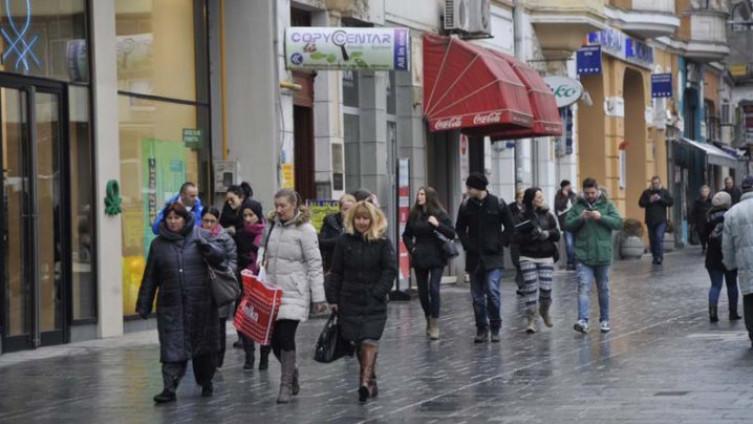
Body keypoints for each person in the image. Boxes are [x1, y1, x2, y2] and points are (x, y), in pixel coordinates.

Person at [136, 203, 221, 403]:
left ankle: (206, 380)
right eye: (169, 218)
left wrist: (208, 249)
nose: (173, 222)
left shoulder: (201, 236)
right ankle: (169, 387)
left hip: (201, 304)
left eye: (177, 218)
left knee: (204, 347)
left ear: (185, 219)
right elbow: (151, 276)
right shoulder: (158, 245)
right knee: (171, 346)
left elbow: (222, 259)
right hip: (170, 305)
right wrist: (144, 304)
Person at [326, 201, 398, 403]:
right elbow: (336, 271)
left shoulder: (382, 242)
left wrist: (379, 292)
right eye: (358, 218)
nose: (361, 222)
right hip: (349, 299)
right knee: (358, 341)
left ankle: (364, 382)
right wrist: (333, 298)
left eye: (365, 218)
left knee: (369, 339)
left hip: (373, 300)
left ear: (372, 219)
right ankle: (371, 378)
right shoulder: (344, 241)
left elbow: (389, 269)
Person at [261, 189, 327, 403]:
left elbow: (315, 264)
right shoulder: (271, 226)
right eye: (276, 205)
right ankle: (292, 371)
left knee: (285, 336)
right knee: (271, 342)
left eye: (283, 206)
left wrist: (318, 297)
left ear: (294, 205)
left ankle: (286, 385)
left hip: (294, 291)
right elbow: (265, 255)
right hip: (272, 290)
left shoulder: (305, 230)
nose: (278, 210)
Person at [455, 173, 514, 343]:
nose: (467, 190)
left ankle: (495, 326)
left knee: (493, 291)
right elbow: (459, 228)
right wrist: (467, 244)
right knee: (477, 297)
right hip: (474, 257)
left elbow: (510, 227)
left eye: (469, 187)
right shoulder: (466, 205)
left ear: (479, 188)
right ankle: (481, 327)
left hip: (493, 256)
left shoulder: (498, 203)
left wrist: (500, 242)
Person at [565, 178, 623, 334]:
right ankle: (582, 320)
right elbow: (567, 225)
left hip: (603, 254)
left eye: (592, 192)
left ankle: (604, 320)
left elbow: (618, 223)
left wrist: (601, 217)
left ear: (598, 191)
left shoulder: (607, 204)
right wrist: (580, 218)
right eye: (587, 193)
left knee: (603, 289)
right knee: (583, 287)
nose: (590, 195)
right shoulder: (577, 206)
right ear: (583, 192)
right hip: (583, 254)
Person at [402, 187, 456, 340]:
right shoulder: (414, 214)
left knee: (434, 288)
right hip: (420, 256)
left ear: (429, 197)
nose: (419, 197)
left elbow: (451, 233)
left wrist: (437, 224)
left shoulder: (440, 214)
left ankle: (434, 323)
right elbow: (406, 235)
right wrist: (412, 248)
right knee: (423, 292)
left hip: (437, 255)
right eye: (418, 194)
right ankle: (427, 316)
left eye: (422, 194)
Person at [514, 187, 560, 334]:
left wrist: (547, 234)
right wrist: (531, 236)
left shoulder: (549, 215)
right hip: (527, 256)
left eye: (541, 196)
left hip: (546, 255)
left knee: (546, 289)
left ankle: (544, 311)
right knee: (531, 288)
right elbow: (516, 238)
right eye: (537, 196)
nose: (540, 199)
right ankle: (531, 319)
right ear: (530, 199)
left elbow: (557, 234)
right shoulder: (521, 216)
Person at [199, 207, 237, 369]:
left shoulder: (225, 238)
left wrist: (225, 273)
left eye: (212, 221)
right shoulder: (194, 235)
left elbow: (233, 260)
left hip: (219, 285)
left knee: (219, 324)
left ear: (217, 221)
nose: (208, 224)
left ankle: (218, 359)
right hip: (200, 286)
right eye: (205, 221)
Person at [722, 176, 753, 348]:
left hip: (745, 263)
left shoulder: (733, 212)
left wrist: (730, 264)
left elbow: (727, 245)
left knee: (749, 297)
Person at [704, 192, 740, 323]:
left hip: (712, 256)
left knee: (715, 285)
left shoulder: (708, 216)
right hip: (728, 254)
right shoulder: (731, 215)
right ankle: (733, 312)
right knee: (732, 284)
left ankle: (713, 314)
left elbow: (704, 235)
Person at [638, 176, 674, 265]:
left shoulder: (664, 192)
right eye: (653, 183)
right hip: (650, 220)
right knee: (652, 239)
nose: (655, 185)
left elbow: (670, 203)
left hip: (661, 220)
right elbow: (640, 203)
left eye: (657, 183)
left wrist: (660, 199)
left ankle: (659, 257)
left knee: (658, 237)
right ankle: (655, 256)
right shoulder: (646, 192)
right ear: (651, 183)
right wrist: (649, 200)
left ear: (660, 183)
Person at [319, 194, 356, 272]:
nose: (348, 212)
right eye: (345, 209)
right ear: (340, 209)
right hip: (333, 265)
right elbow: (321, 242)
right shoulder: (330, 221)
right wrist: (342, 239)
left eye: (351, 210)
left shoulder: (359, 223)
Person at [554, 179, 578, 270]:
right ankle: (570, 262)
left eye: (570, 185)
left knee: (575, 244)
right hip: (566, 224)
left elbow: (576, 207)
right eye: (568, 185)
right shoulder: (558, 196)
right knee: (569, 244)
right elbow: (559, 208)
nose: (570, 187)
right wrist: (565, 197)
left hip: (575, 223)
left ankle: (576, 262)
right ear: (564, 187)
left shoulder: (574, 195)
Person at [509, 190, 525, 295]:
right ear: (516, 198)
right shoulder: (510, 208)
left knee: (524, 263)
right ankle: (521, 285)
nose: (522, 199)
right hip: (515, 239)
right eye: (520, 197)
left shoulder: (527, 208)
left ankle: (523, 285)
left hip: (525, 239)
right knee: (518, 263)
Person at [691, 185, 712, 253]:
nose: (705, 193)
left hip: (709, 221)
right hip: (700, 221)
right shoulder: (697, 201)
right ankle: (704, 246)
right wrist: (693, 222)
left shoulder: (711, 200)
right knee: (701, 234)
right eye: (703, 191)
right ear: (700, 192)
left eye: (706, 191)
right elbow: (693, 212)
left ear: (709, 192)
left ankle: (709, 247)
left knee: (709, 234)